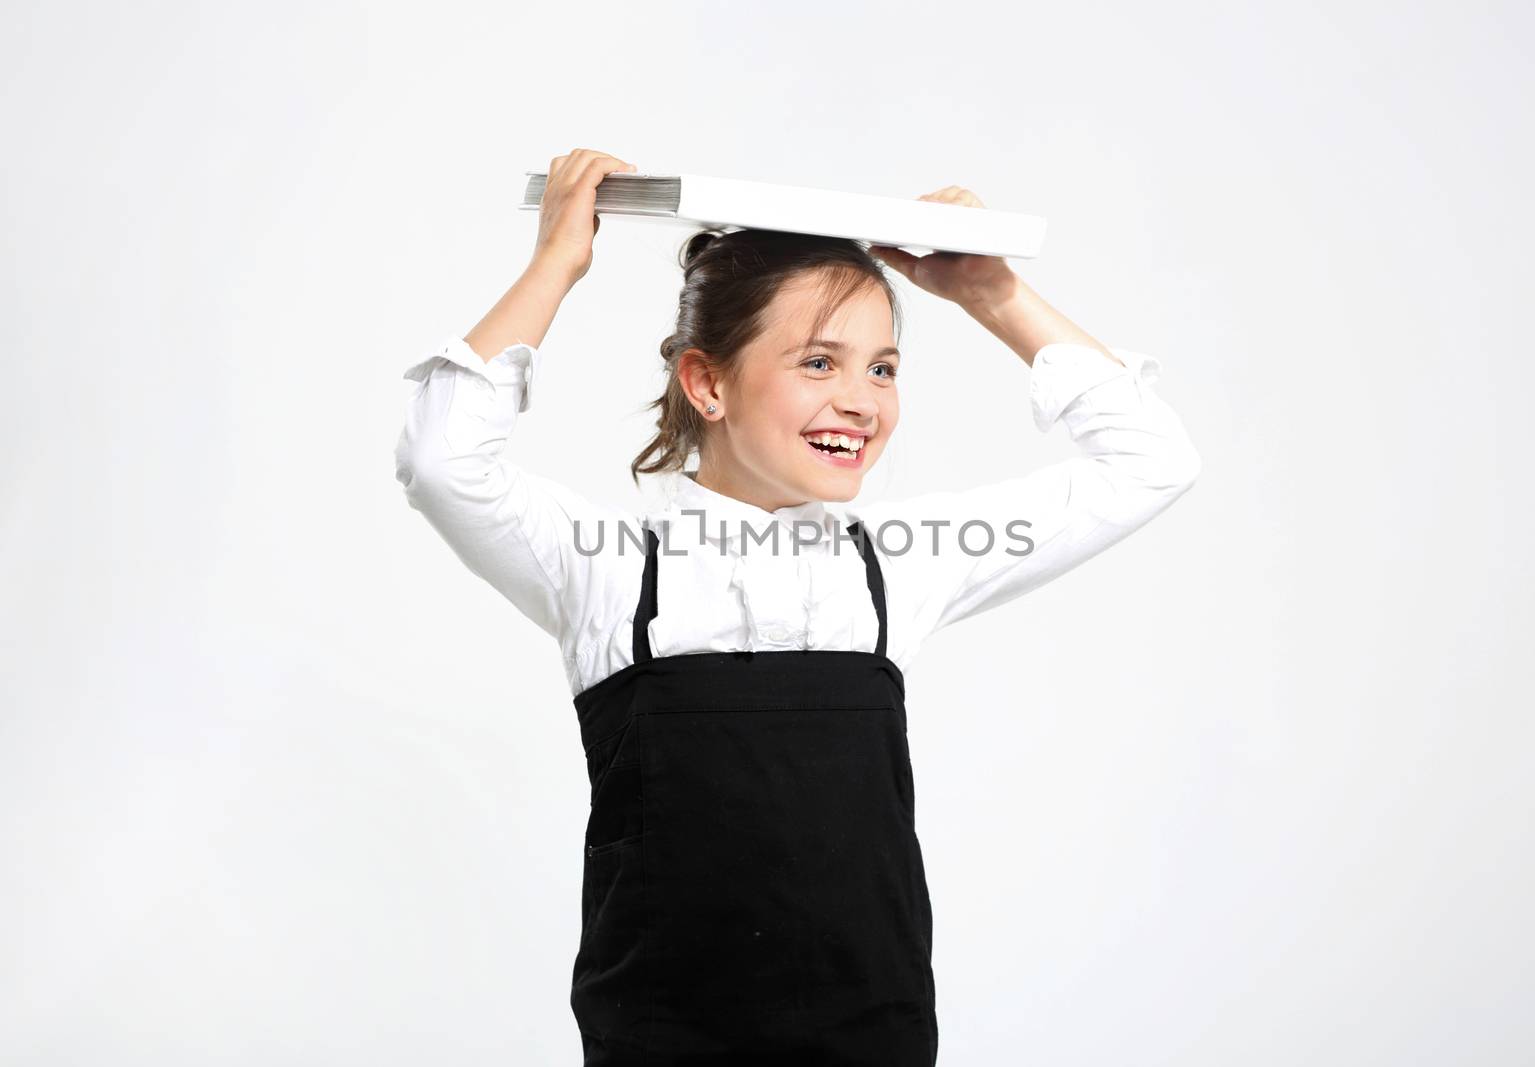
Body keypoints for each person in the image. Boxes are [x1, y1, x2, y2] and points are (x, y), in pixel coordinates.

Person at [394, 148, 1202, 1066]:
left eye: (884, 368)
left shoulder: (895, 569)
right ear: (707, 383)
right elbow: (441, 463)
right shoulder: (612, 571)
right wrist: (556, 266)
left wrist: (992, 294)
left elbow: (1152, 460)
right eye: (820, 361)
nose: (860, 402)